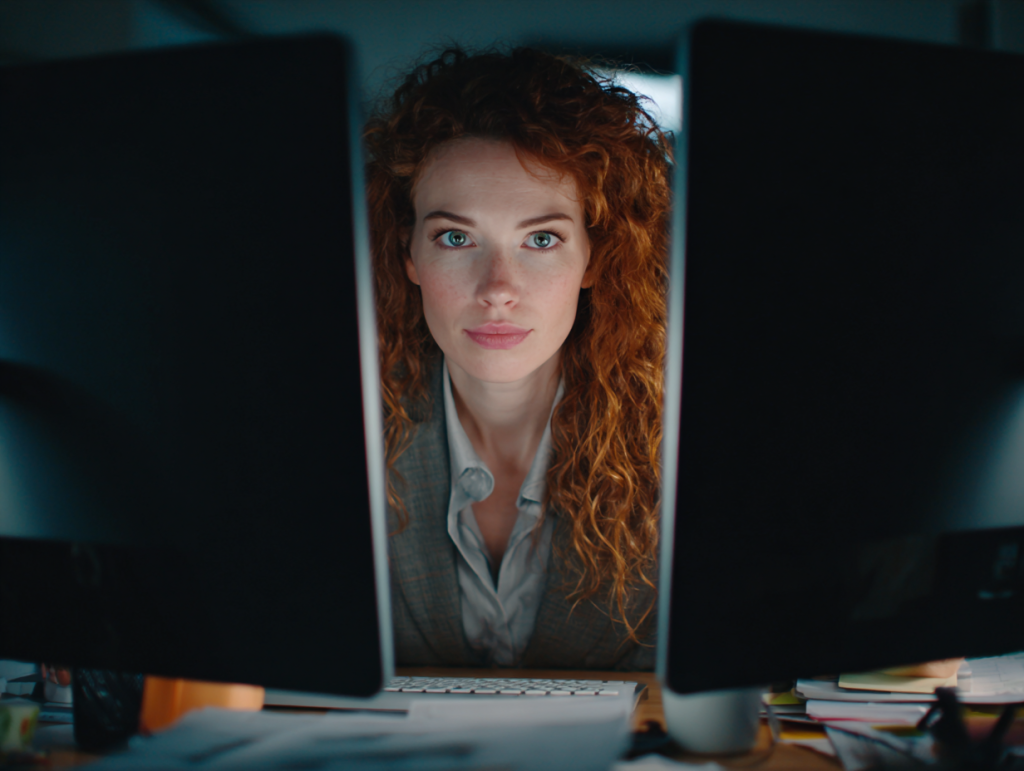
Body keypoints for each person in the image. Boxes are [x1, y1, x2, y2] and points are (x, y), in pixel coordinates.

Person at [363, 47, 670, 669]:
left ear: (593, 258)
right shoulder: (332, 432)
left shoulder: (685, 446)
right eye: (456, 237)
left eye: (540, 239)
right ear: (408, 256)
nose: (498, 286)